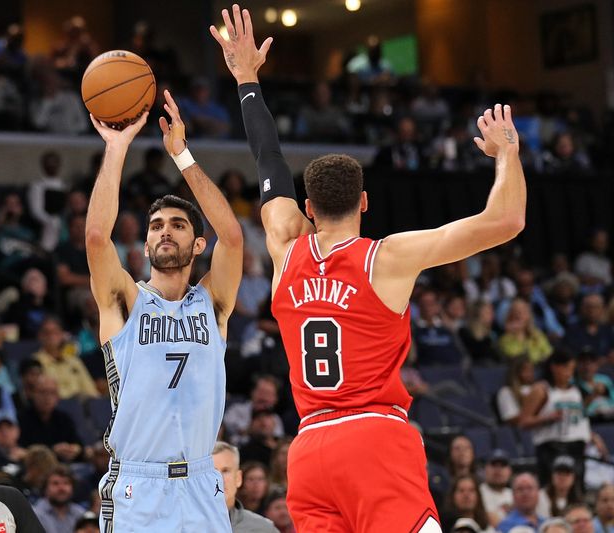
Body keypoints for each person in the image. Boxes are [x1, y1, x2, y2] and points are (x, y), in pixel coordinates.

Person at [211, 5, 526, 532]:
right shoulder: (387, 258)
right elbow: (507, 220)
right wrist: (507, 153)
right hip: (374, 439)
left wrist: (247, 80)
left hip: (308, 449)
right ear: (363, 202)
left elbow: (268, 159)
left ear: (306, 207)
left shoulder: (286, 247)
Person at [85, 87, 242, 532]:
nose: (164, 231)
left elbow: (232, 237)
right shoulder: (125, 301)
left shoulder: (212, 304)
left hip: (201, 481)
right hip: (139, 484)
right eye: (156, 226)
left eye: (177, 225)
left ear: (197, 244)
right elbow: (97, 238)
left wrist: (182, 155)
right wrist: (117, 148)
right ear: (147, 242)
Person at [519, 349, 590, 485]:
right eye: (566, 368)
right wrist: (547, 418)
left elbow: (579, 421)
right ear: (554, 367)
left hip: (576, 447)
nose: (569, 373)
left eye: (572, 369)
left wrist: (591, 436)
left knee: (576, 488)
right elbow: (523, 422)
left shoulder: (576, 391)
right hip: (551, 448)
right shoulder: (541, 390)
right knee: (551, 488)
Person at [212, 441, 279, 533]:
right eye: (212, 472)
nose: (219, 479)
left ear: (238, 478)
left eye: (225, 471)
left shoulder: (263, 529)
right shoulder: (186, 526)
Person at [34, 465, 87, 533]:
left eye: (66, 483)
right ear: (45, 488)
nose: (61, 488)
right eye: (55, 483)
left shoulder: (80, 514)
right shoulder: (35, 514)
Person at [479, 449, 514, 527]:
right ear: (485, 469)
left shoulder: (515, 495)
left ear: (510, 471)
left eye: (503, 465)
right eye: (494, 465)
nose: (498, 470)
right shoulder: (477, 493)